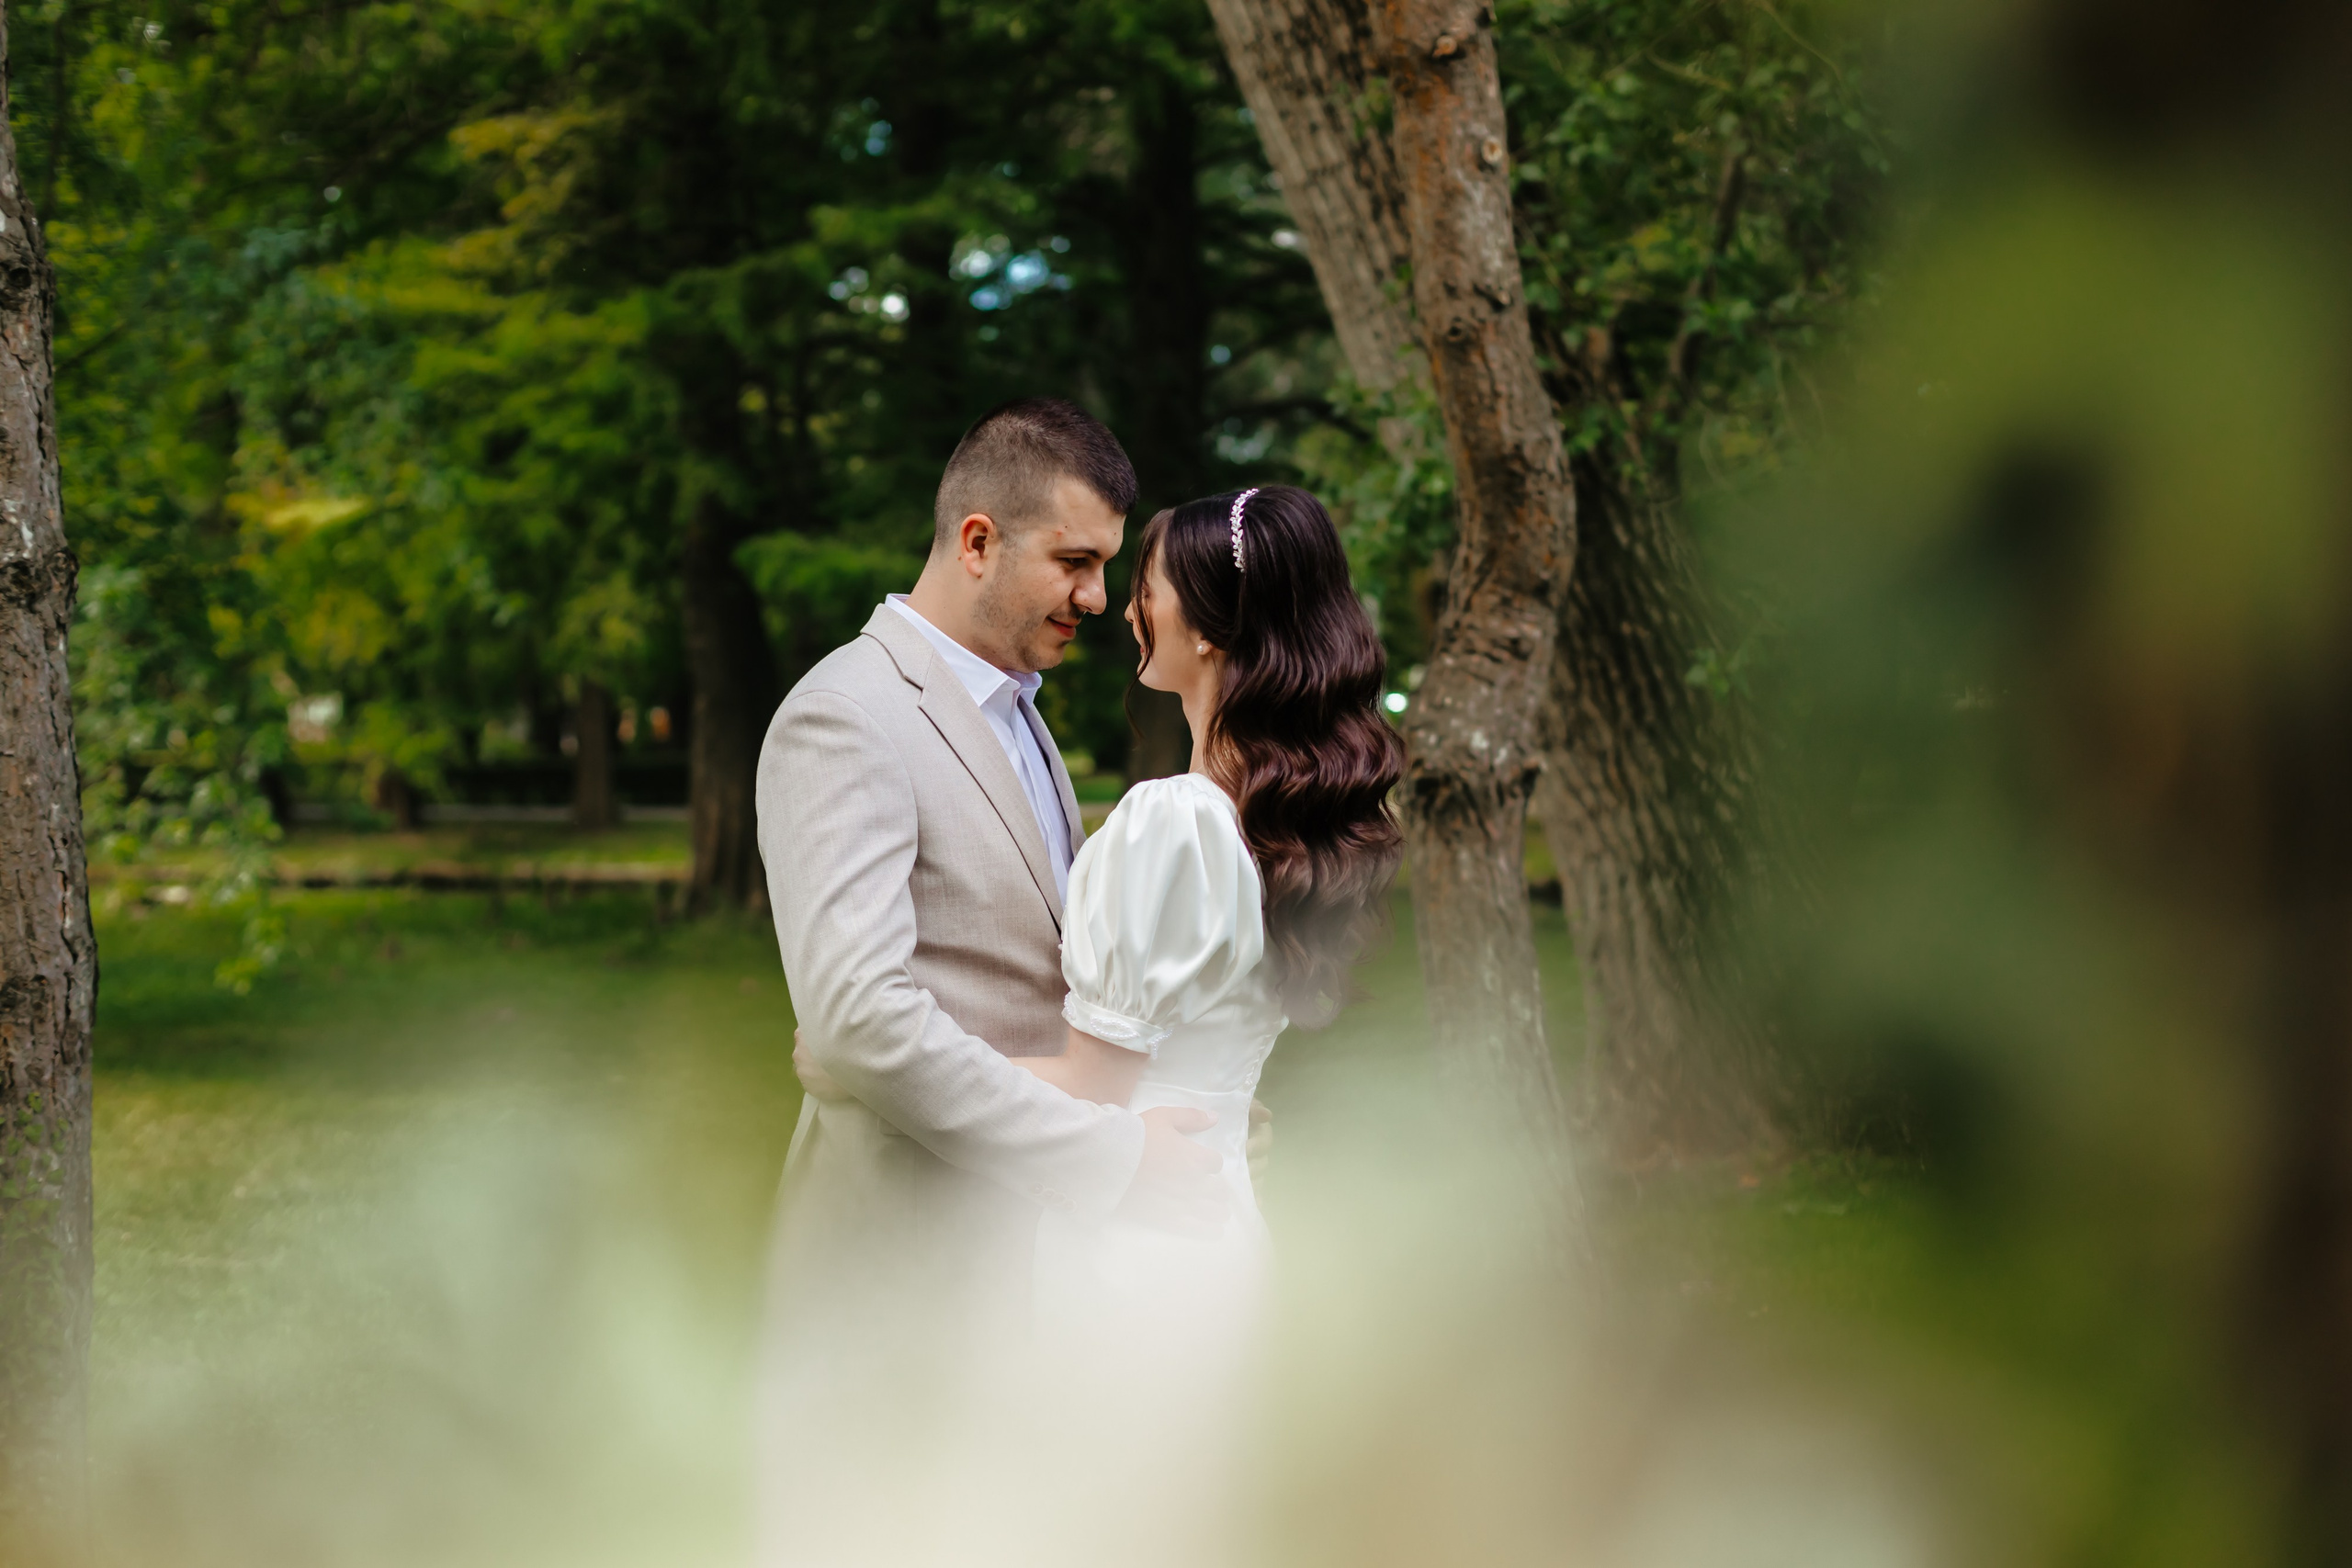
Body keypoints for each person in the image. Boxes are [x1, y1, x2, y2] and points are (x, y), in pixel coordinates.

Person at [752, 399, 1227, 1566]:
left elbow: (1057, 985)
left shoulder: (1022, 719)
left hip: (1032, 1275)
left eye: (1106, 566)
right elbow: (861, 1021)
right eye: (1074, 562)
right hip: (906, 1271)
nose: (1096, 599)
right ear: (976, 541)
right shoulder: (844, 717)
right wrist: (1114, 1160)